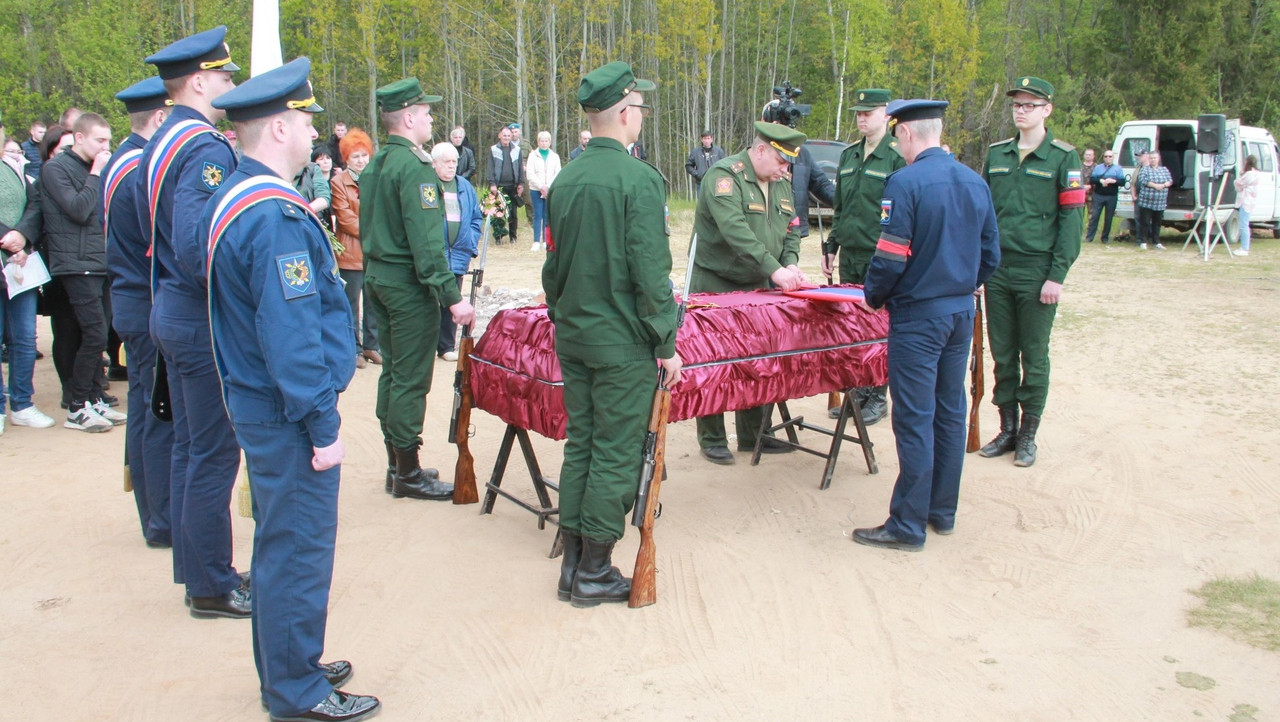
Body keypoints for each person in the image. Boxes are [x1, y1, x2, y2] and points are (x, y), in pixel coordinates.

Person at [203, 57, 378, 722]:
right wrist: (322, 425)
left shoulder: (240, 195)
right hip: (286, 413)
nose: (314, 132)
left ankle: (289, 660)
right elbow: (292, 337)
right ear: (278, 129)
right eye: (304, 120)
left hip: (261, 402)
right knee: (297, 548)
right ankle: (296, 690)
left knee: (283, 542)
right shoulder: (271, 217)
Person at [542, 60, 682, 607]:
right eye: (640, 109)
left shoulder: (565, 179)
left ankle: (574, 564)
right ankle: (596, 570)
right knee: (617, 453)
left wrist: (564, 315)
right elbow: (650, 274)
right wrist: (666, 342)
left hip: (575, 335)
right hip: (621, 341)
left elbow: (553, 269)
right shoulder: (638, 181)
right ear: (625, 113)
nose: (641, 117)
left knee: (584, 444)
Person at [851, 99, 1001, 552]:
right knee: (950, 412)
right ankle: (942, 511)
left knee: (915, 418)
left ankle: (908, 525)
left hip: (919, 316)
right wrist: (961, 286)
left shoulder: (905, 182)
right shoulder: (975, 182)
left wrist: (873, 295)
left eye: (898, 136)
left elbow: (890, 256)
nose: (897, 144)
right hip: (960, 313)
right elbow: (991, 254)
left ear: (909, 135)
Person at [136, 25, 250, 617]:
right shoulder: (204, 145)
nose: (230, 86)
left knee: (188, 447)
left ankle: (198, 568)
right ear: (201, 81)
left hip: (169, 309)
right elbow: (192, 244)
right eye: (226, 78)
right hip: (198, 316)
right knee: (213, 453)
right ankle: (211, 582)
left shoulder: (161, 139)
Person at [361, 77, 475, 500]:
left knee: (392, 374)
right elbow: (427, 244)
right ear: (407, 117)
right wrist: (452, 298)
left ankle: (398, 462)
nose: (430, 118)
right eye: (425, 112)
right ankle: (407, 473)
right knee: (410, 379)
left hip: (379, 277)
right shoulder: (414, 167)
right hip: (407, 285)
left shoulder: (377, 163)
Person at [691, 121, 808, 465]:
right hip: (717, 284)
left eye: (789, 164)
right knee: (713, 362)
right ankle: (711, 438)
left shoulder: (781, 184)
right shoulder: (723, 177)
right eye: (781, 162)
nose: (785, 170)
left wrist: (790, 264)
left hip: (759, 287)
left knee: (757, 362)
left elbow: (791, 230)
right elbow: (735, 232)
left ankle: (754, 434)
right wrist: (776, 270)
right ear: (760, 151)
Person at [981, 76, 1084, 468]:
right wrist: (979, 268)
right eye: (1017, 105)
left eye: (1029, 104)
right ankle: (1007, 428)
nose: (1021, 110)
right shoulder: (998, 154)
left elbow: (1072, 221)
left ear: (1047, 109)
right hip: (999, 270)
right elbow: (985, 216)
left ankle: (1028, 435)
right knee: (1003, 354)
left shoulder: (1062, 157)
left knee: (1033, 355)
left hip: (1038, 271)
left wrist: (1056, 275)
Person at [103, 76, 174, 547]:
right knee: (158, 414)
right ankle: (161, 518)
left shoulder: (123, 160)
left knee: (145, 408)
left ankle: (152, 509)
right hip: (144, 300)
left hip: (130, 298)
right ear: (161, 117)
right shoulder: (139, 170)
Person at [38, 112, 126, 432]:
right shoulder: (55, 169)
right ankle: (77, 406)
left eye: (108, 141)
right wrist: (97, 173)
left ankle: (93, 398)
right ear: (79, 138)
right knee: (92, 333)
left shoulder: (90, 169)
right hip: (75, 263)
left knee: (101, 334)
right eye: (100, 140)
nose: (106, 147)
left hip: (99, 260)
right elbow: (78, 209)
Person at [825, 88, 904, 425]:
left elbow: (901, 212)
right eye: (858, 112)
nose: (861, 118)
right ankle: (858, 386)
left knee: (879, 324)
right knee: (853, 323)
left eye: (868, 113)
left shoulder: (897, 156)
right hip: (851, 253)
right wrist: (831, 246)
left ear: (885, 115)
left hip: (880, 254)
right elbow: (840, 207)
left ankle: (879, 393)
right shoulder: (849, 155)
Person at [2, 115, 52, 436]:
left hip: (20, 265)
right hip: (9, 253)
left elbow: (35, 205)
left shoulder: (14, 168)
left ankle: (21, 403)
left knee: (23, 337)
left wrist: (23, 236)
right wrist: (9, 239)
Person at [330, 127, 381, 368]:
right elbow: (346, 218)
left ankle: (373, 346)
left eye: (364, 155)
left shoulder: (377, 176)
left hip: (375, 253)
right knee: (351, 305)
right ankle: (354, 349)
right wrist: (375, 232)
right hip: (350, 253)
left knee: (374, 302)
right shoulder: (338, 182)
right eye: (355, 156)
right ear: (346, 159)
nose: (361, 160)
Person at [429, 142, 483, 362]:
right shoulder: (428, 186)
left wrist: (470, 240)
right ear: (434, 164)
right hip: (436, 253)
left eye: (454, 162)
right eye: (447, 162)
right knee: (431, 301)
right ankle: (428, 345)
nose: (452, 166)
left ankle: (446, 346)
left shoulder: (464, 186)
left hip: (459, 253)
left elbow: (476, 217)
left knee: (453, 298)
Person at [525, 130, 561, 251]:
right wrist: (541, 186)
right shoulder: (532, 155)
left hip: (550, 190)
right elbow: (530, 173)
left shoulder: (554, 156)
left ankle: (546, 241)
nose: (544, 143)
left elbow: (558, 173)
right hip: (536, 189)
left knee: (547, 215)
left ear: (550, 142)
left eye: (546, 141)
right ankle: (536, 241)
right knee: (537, 214)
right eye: (542, 141)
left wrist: (548, 186)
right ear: (538, 142)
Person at [486, 125, 523, 242]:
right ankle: (498, 237)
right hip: (498, 186)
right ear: (499, 136)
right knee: (498, 213)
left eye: (508, 135)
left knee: (513, 214)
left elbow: (520, 168)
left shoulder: (516, 150)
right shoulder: (493, 149)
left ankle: (513, 237)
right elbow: (490, 168)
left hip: (512, 185)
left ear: (511, 136)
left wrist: (521, 183)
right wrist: (492, 183)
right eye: (504, 135)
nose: (506, 138)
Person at [1135, 149, 1172, 250]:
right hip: (1146, 202)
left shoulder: (1164, 169)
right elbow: (1143, 180)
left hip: (1160, 202)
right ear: (1149, 159)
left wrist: (1163, 185)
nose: (1153, 160)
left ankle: (1156, 242)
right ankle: (1143, 241)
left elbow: (1170, 181)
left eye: (1155, 158)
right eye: (1151, 158)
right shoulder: (1145, 169)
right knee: (1145, 222)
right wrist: (1155, 185)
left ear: (1158, 158)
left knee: (1157, 223)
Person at [1085, 148, 1123, 243]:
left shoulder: (1118, 169)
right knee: (1094, 216)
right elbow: (1092, 179)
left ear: (1113, 158)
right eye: (1106, 156)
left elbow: (1122, 182)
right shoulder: (1098, 168)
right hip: (1098, 195)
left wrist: (1113, 181)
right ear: (1103, 157)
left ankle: (1105, 238)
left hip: (1112, 196)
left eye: (1110, 156)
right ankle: (1089, 237)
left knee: (1108, 218)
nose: (1108, 158)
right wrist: (1100, 181)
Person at [1233, 154, 1260, 256]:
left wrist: (1238, 178)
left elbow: (1238, 184)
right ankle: (1244, 247)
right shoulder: (1256, 173)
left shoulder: (1249, 174)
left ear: (1247, 162)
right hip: (1250, 201)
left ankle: (1244, 248)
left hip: (1245, 201)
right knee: (1245, 224)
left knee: (1244, 225)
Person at [1079, 148, 1096, 220]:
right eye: (1086, 154)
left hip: (1092, 193)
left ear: (1093, 156)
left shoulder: (1097, 167)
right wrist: (1082, 186)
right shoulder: (1078, 166)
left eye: (1090, 155)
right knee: (1079, 213)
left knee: (1092, 213)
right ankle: (1079, 229)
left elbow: (1098, 179)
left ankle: (1090, 230)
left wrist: (1090, 186)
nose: (1088, 156)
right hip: (1080, 192)